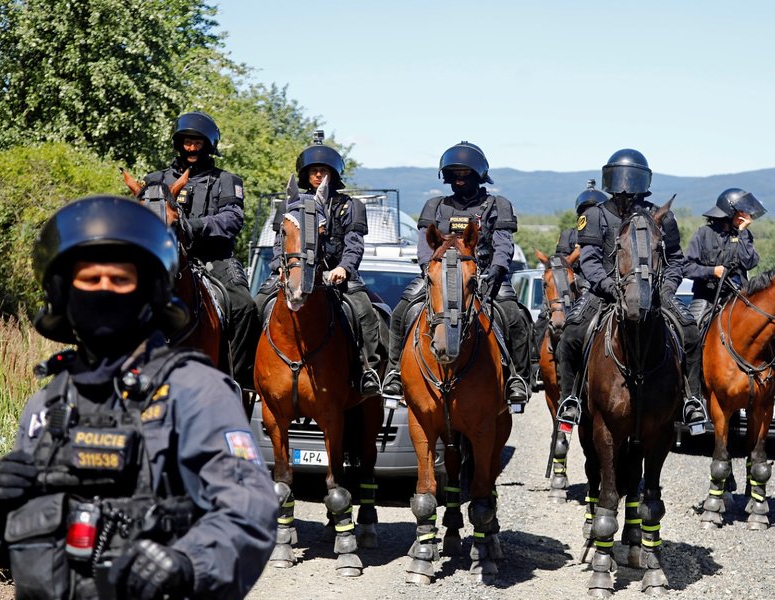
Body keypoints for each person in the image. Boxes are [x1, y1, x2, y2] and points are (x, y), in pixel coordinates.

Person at [0, 196, 277, 600]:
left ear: (150, 291)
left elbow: (249, 510)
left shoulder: (195, 390)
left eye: (119, 279)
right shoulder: (47, 402)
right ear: (62, 291)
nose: (102, 290)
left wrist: (185, 562)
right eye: (88, 278)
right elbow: (9, 549)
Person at [555, 149, 703, 426]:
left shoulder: (662, 217)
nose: (625, 187)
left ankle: (692, 400)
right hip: (605, 292)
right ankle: (570, 400)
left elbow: (675, 260)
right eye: (620, 180)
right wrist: (610, 286)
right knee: (571, 333)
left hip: (655, 293)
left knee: (690, 331)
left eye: (631, 180)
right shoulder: (594, 215)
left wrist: (668, 289)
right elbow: (589, 260)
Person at [380, 141, 531, 405]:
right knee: (402, 311)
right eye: (456, 175)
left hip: (483, 276)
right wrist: (430, 271)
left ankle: (517, 378)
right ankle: (393, 372)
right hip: (439, 276)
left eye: (466, 175)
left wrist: (495, 272)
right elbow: (424, 245)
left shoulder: (498, 204)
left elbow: (504, 244)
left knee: (514, 315)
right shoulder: (435, 206)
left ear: (478, 175)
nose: (460, 181)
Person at [255, 130, 383, 396]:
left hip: (335, 276)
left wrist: (343, 269)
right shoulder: (289, 205)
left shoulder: (351, 206)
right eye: (313, 170)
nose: (318, 175)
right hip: (293, 273)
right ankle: (248, 367)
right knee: (256, 305)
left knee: (366, 312)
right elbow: (281, 242)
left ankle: (368, 371)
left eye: (323, 171)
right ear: (305, 175)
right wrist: (280, 265)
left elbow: (354, 243)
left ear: (333, 174)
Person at [144, 111, 261, 390]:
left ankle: (240, 377)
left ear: (209, 145)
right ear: (178, 143)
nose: (192, 148)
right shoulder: (155, 179)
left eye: (198, 142)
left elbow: (232, 219)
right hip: (164, 259)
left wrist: (192, 226)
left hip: (214, 258)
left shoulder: (226, 180)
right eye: (186, 142)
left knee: (245, 306)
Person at [683, 188, 775, 399]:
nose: (746, 216)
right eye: (742, 212)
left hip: (739, 297)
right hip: (707, 296)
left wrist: (742, 233)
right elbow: (686, 267)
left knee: (773, 327)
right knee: (690, 333)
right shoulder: (703, 234)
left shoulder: (744, 234)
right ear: (729, 211)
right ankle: (688, 390)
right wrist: (711, 272)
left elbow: (751, 261)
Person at [529, 179, 602, 365]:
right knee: (543, 318)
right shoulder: (569, 234)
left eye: (594, 209)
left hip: (599, 285)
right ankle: (535, 362)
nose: (589, 213)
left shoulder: (607, 233)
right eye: (586, 210)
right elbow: (560, 263)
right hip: (572, 284)